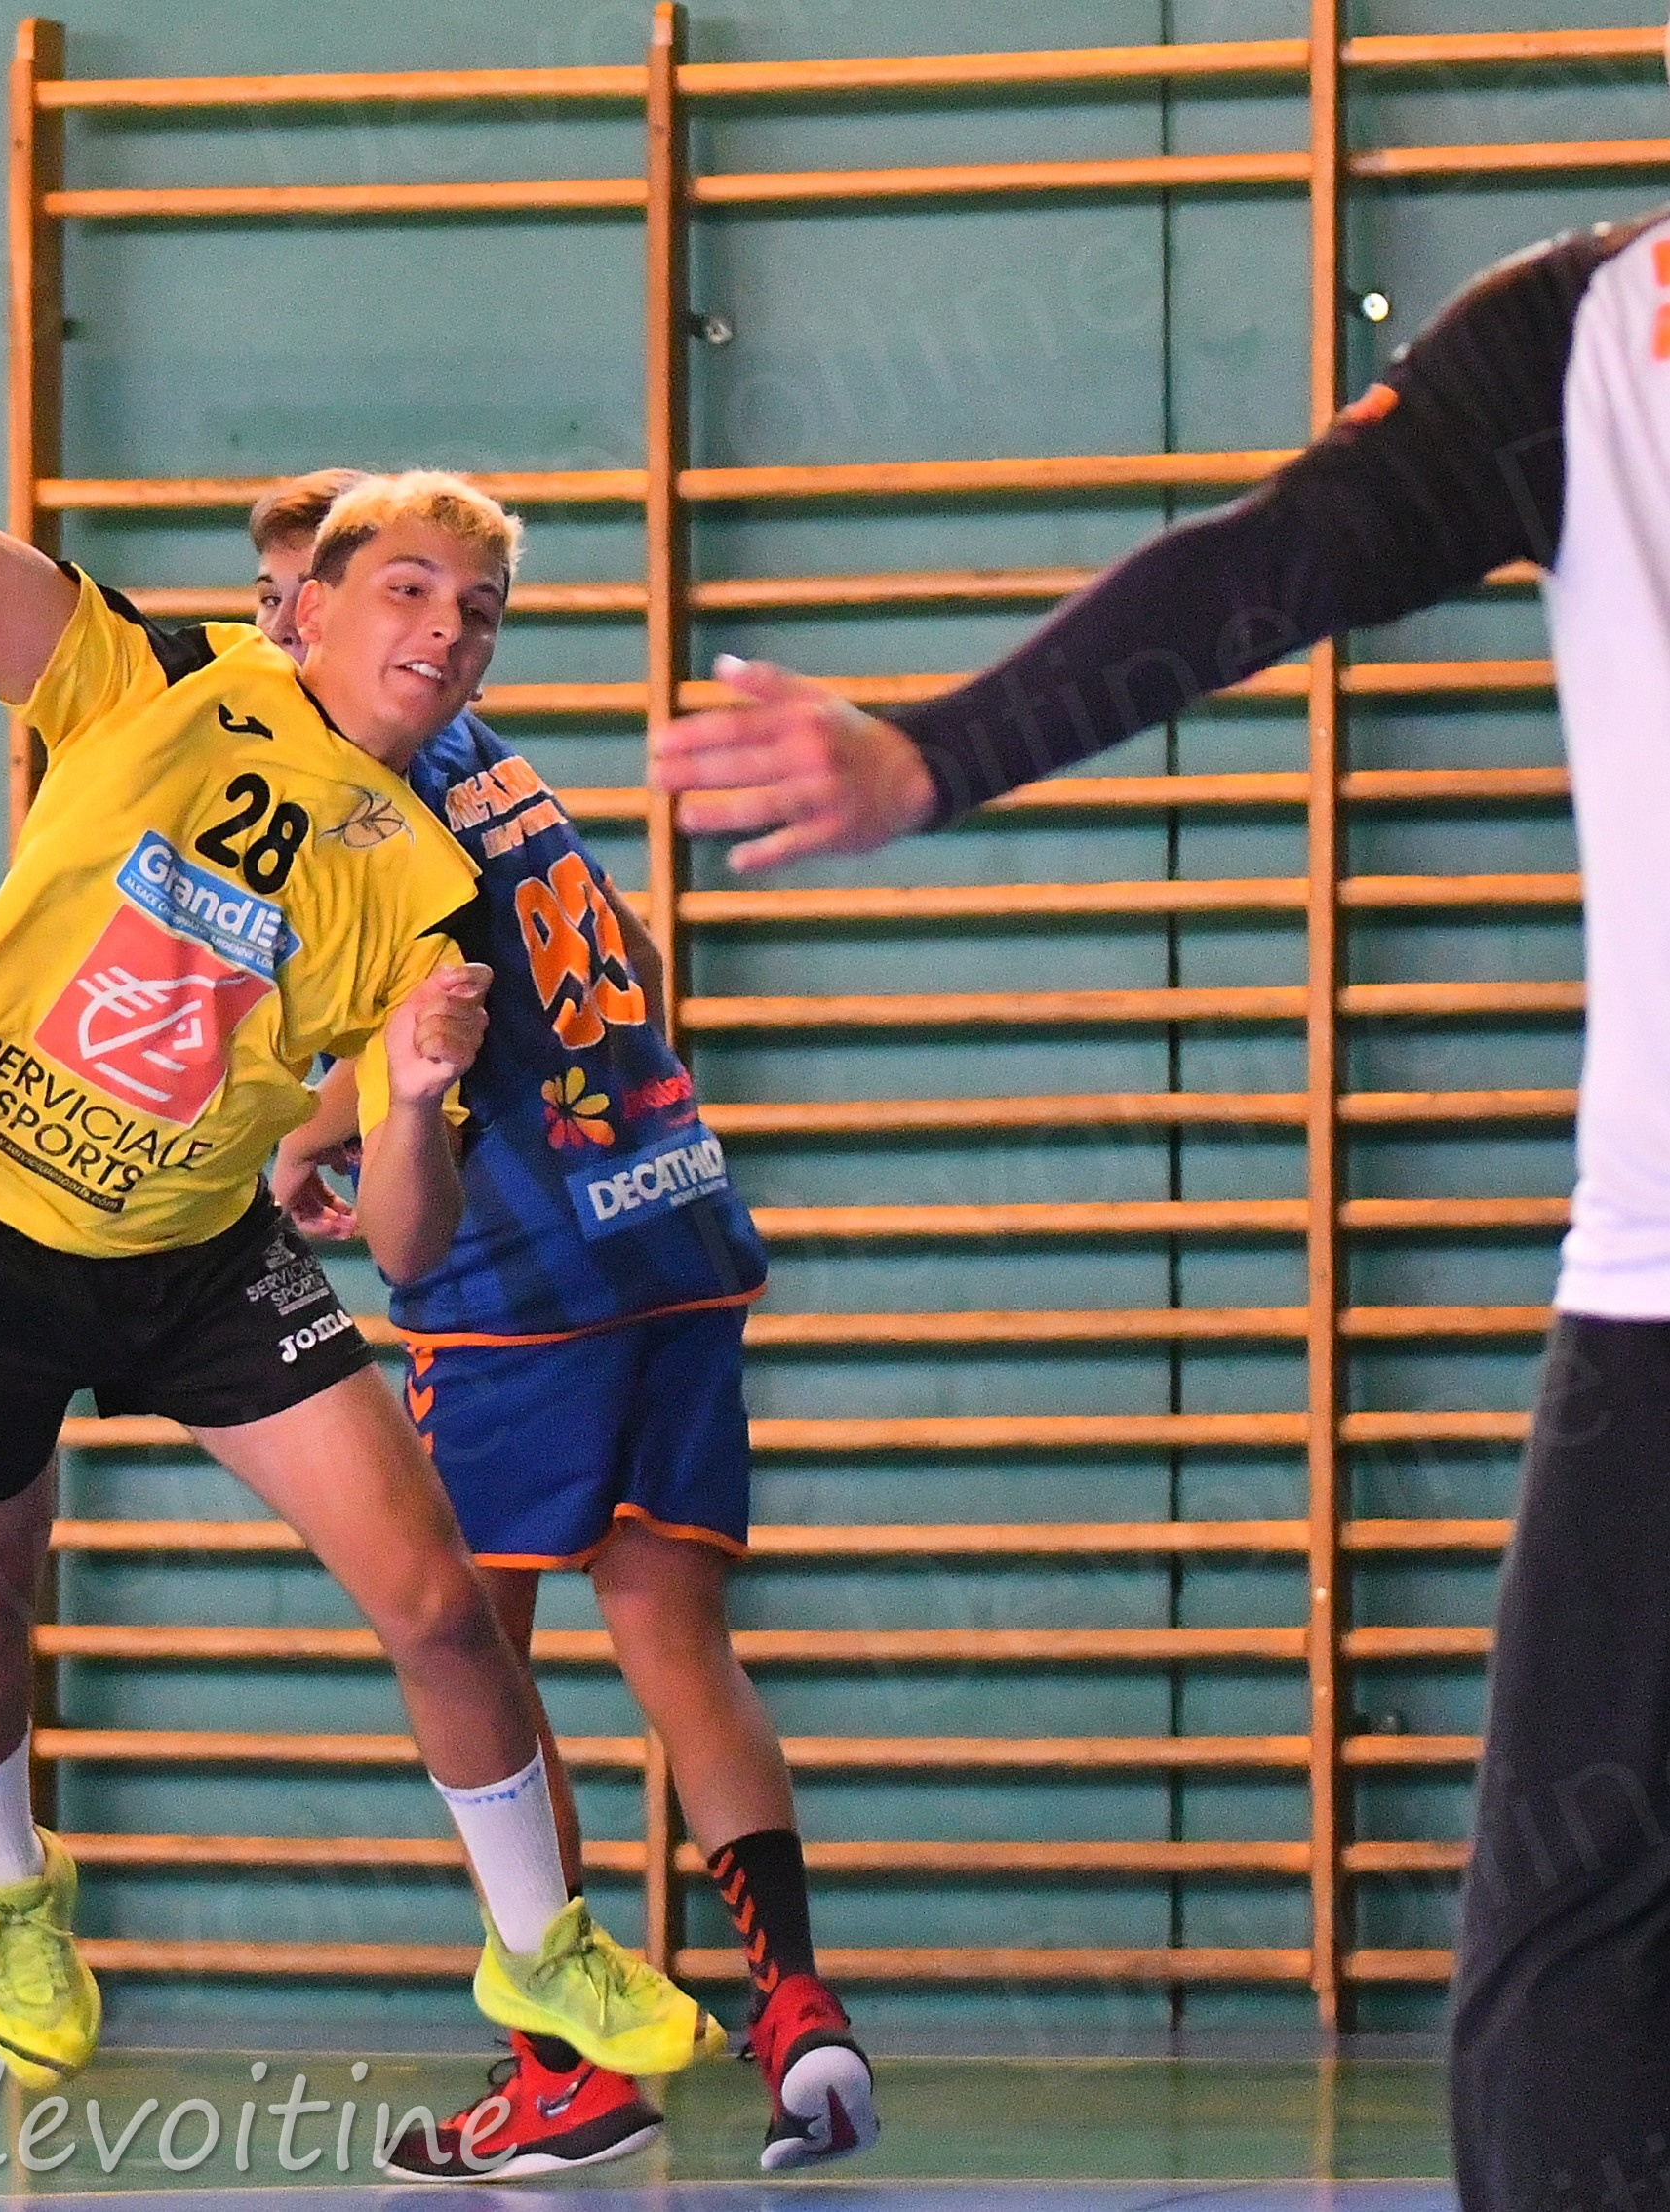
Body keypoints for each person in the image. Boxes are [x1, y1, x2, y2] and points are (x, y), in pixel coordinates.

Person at [646, 212, 1670, 2212]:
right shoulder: (1589, 339)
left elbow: (1272, 562)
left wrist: (933, 757)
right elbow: (1283, 557)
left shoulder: (1601, 327)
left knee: (1574, 1951)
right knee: (1572, 1961)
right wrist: (936, 752)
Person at [0, 249, 720, 2100]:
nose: (446, 628)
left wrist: (413, 1100)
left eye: (480, 610)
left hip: (193, 1253)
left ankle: (540, 1946)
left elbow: (409, 1248)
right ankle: (10, 1892)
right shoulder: (152, 679)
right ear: (311, 609)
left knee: (435, 1598)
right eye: (408, 589)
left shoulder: (427, 883)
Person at [243, 470, 874, 2179]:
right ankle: (796, 2010)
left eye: (302, 593)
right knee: (672, 1631)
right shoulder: (484, 754)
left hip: (527, 1286)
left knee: (475, 1659)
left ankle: (562, 2068)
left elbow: (423, 1034)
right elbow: (632, 969)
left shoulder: (359, 792)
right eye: (283, 596)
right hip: (674, 1214)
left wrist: (305, 1140)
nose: (278, 625)